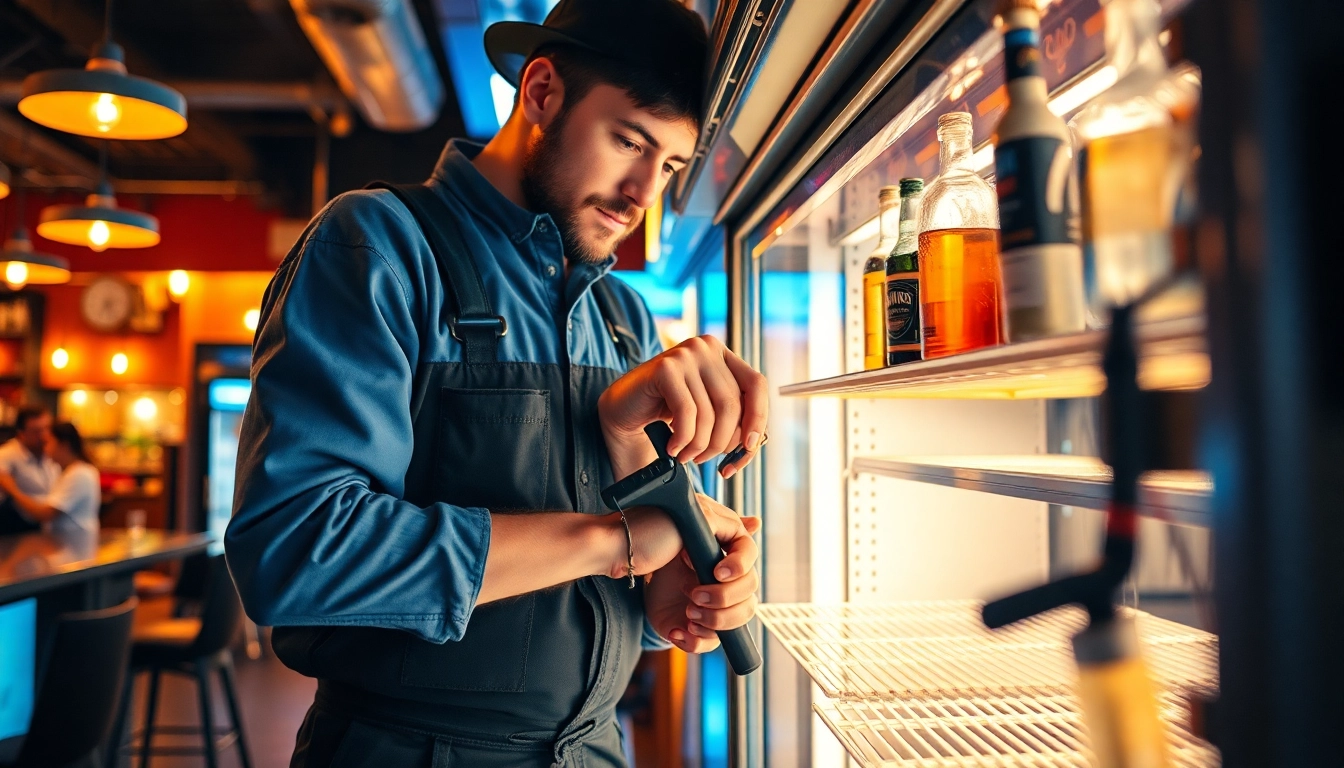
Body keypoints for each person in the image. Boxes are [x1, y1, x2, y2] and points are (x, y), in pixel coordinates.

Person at [226, 1, 767, 766]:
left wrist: (677, 598)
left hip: (595, 751)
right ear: (542, 92)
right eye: (628, 141)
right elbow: (295, 553)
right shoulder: (378, 246)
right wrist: (605, 541)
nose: (643, 192)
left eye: (671, 166)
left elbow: (632, 602)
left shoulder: (622, 317)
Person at [0, 421, 101, 538]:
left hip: (73, 543)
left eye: (48, 443)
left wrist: (12, 489)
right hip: (67, 543)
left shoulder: (80, 474)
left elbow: (45, 514)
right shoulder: (69, 471)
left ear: (64, 445)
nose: (45, 449)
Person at [0, 405, 61, 536]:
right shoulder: (6, 456)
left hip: (52, 530)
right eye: (36, 431)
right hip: (18, 532)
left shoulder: (54, 452)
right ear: (21, 434)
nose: (44, 436)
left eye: (47, 429)